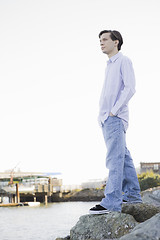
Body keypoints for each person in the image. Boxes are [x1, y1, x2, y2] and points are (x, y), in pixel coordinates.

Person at [89, 30, 142, 214]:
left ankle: (111, 202)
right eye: (100, 40)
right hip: (106, 118)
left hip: (115, 117)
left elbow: (130, 88)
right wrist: (103, 115)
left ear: (116, 42)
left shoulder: (123, 60)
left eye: (105, 39)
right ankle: (133, 195)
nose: (101, 43)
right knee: (124, 157)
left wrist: (114, 111)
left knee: (114, 159)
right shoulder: (109, 65)